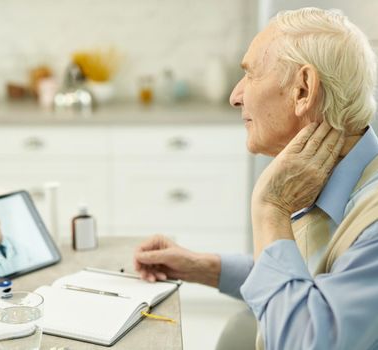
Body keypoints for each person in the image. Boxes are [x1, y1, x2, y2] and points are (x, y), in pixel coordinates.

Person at [134, 7, 378, 350]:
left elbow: (302, 341)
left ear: (303, 91)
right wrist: (201, 267)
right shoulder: (332, 175)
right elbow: (306, 276)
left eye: (251, 75)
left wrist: (270, 209)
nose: (235, 96)